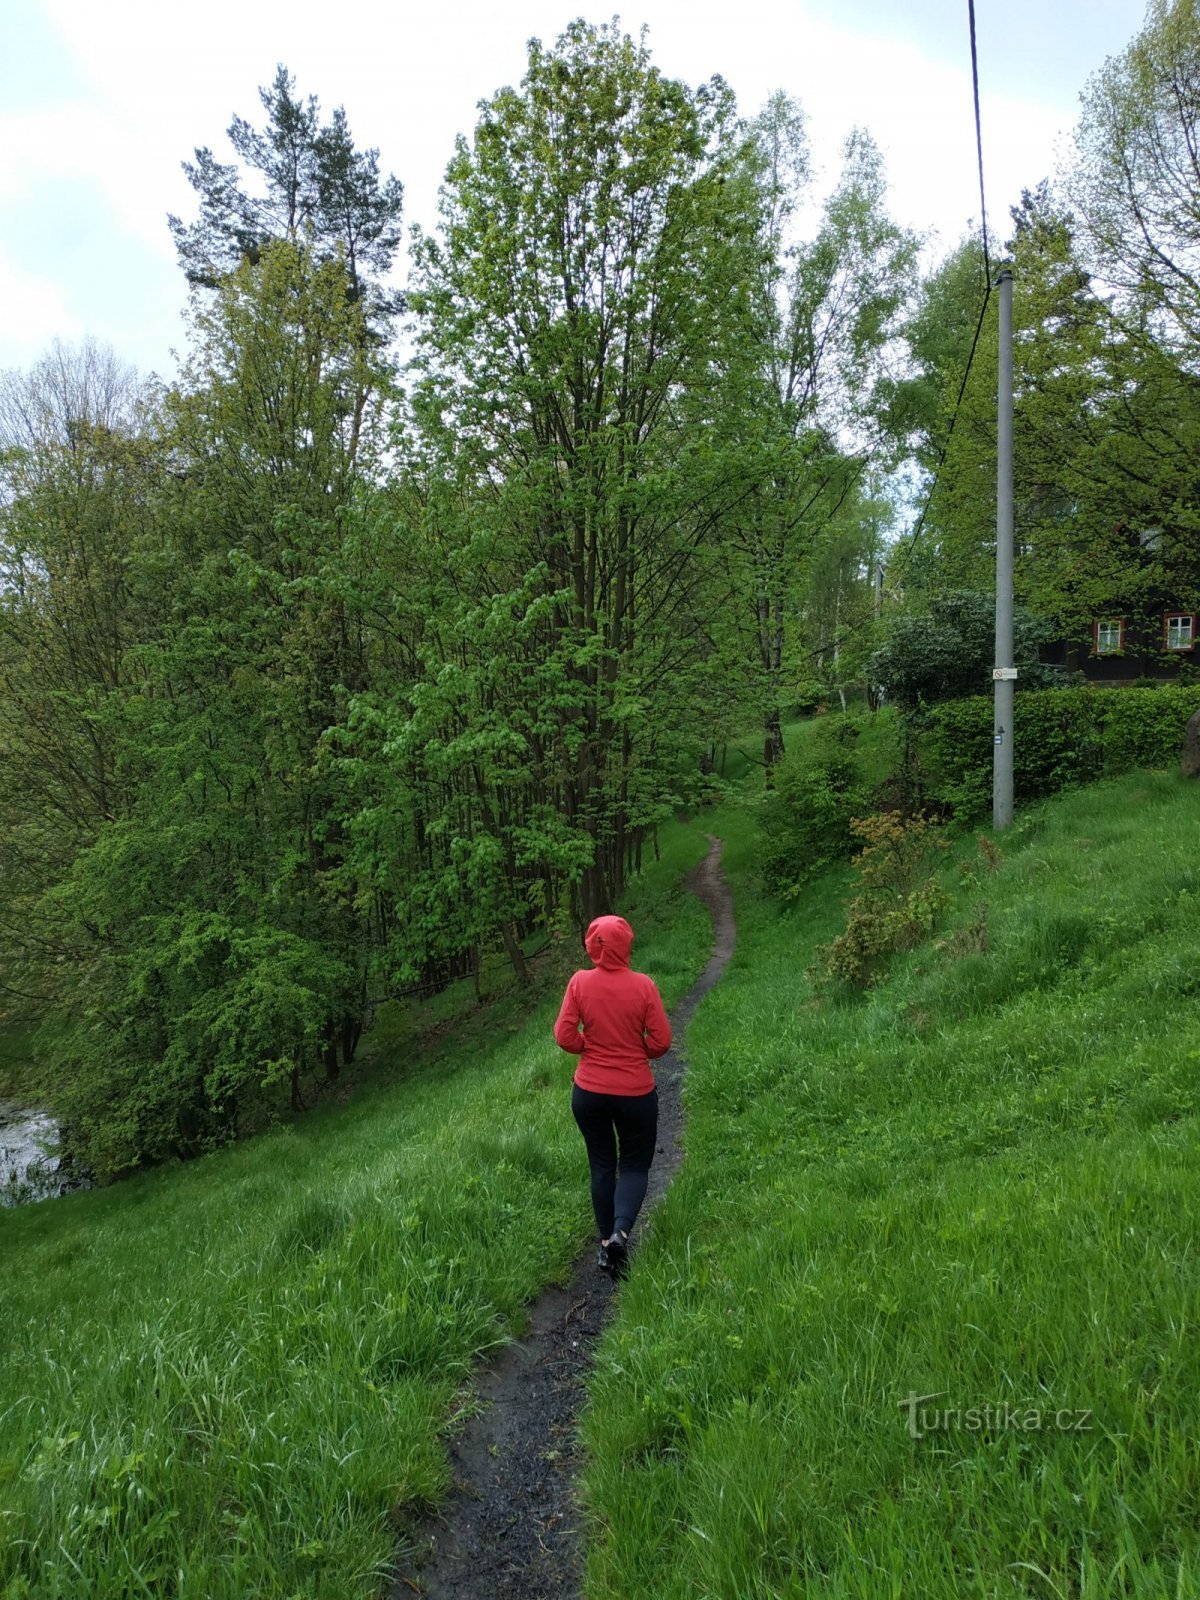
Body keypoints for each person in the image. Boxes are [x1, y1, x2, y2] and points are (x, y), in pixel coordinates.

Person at [553, 914, 671, 1277]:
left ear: (591, 946)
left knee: (602, 1164)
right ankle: (620, 1234)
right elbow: (662, 1041)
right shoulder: (644, 986)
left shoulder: (579, 982)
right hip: (635, 1094)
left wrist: (590, 1044)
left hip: (588, 1093)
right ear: (627, 946)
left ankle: (606, 1246)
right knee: (634, 1165)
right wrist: (640, 1050)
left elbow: (564, 1035)